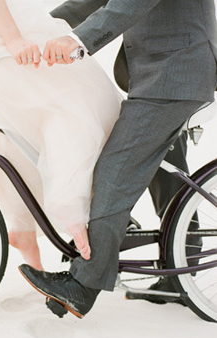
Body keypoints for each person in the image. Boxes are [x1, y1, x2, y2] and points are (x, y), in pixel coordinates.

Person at [19, 0, 217, 318]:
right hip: (168, 72)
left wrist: (76, 39)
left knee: (115, 169)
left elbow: (130, 4)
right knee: (164, 171)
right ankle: (182, 265)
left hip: (175, 73)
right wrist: (35, 30)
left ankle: (83, 285)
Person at [0, 0, 122, 269]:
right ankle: (71, 209)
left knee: (13, 124)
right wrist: (13, 40)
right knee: (74, 102)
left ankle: (23, 229)